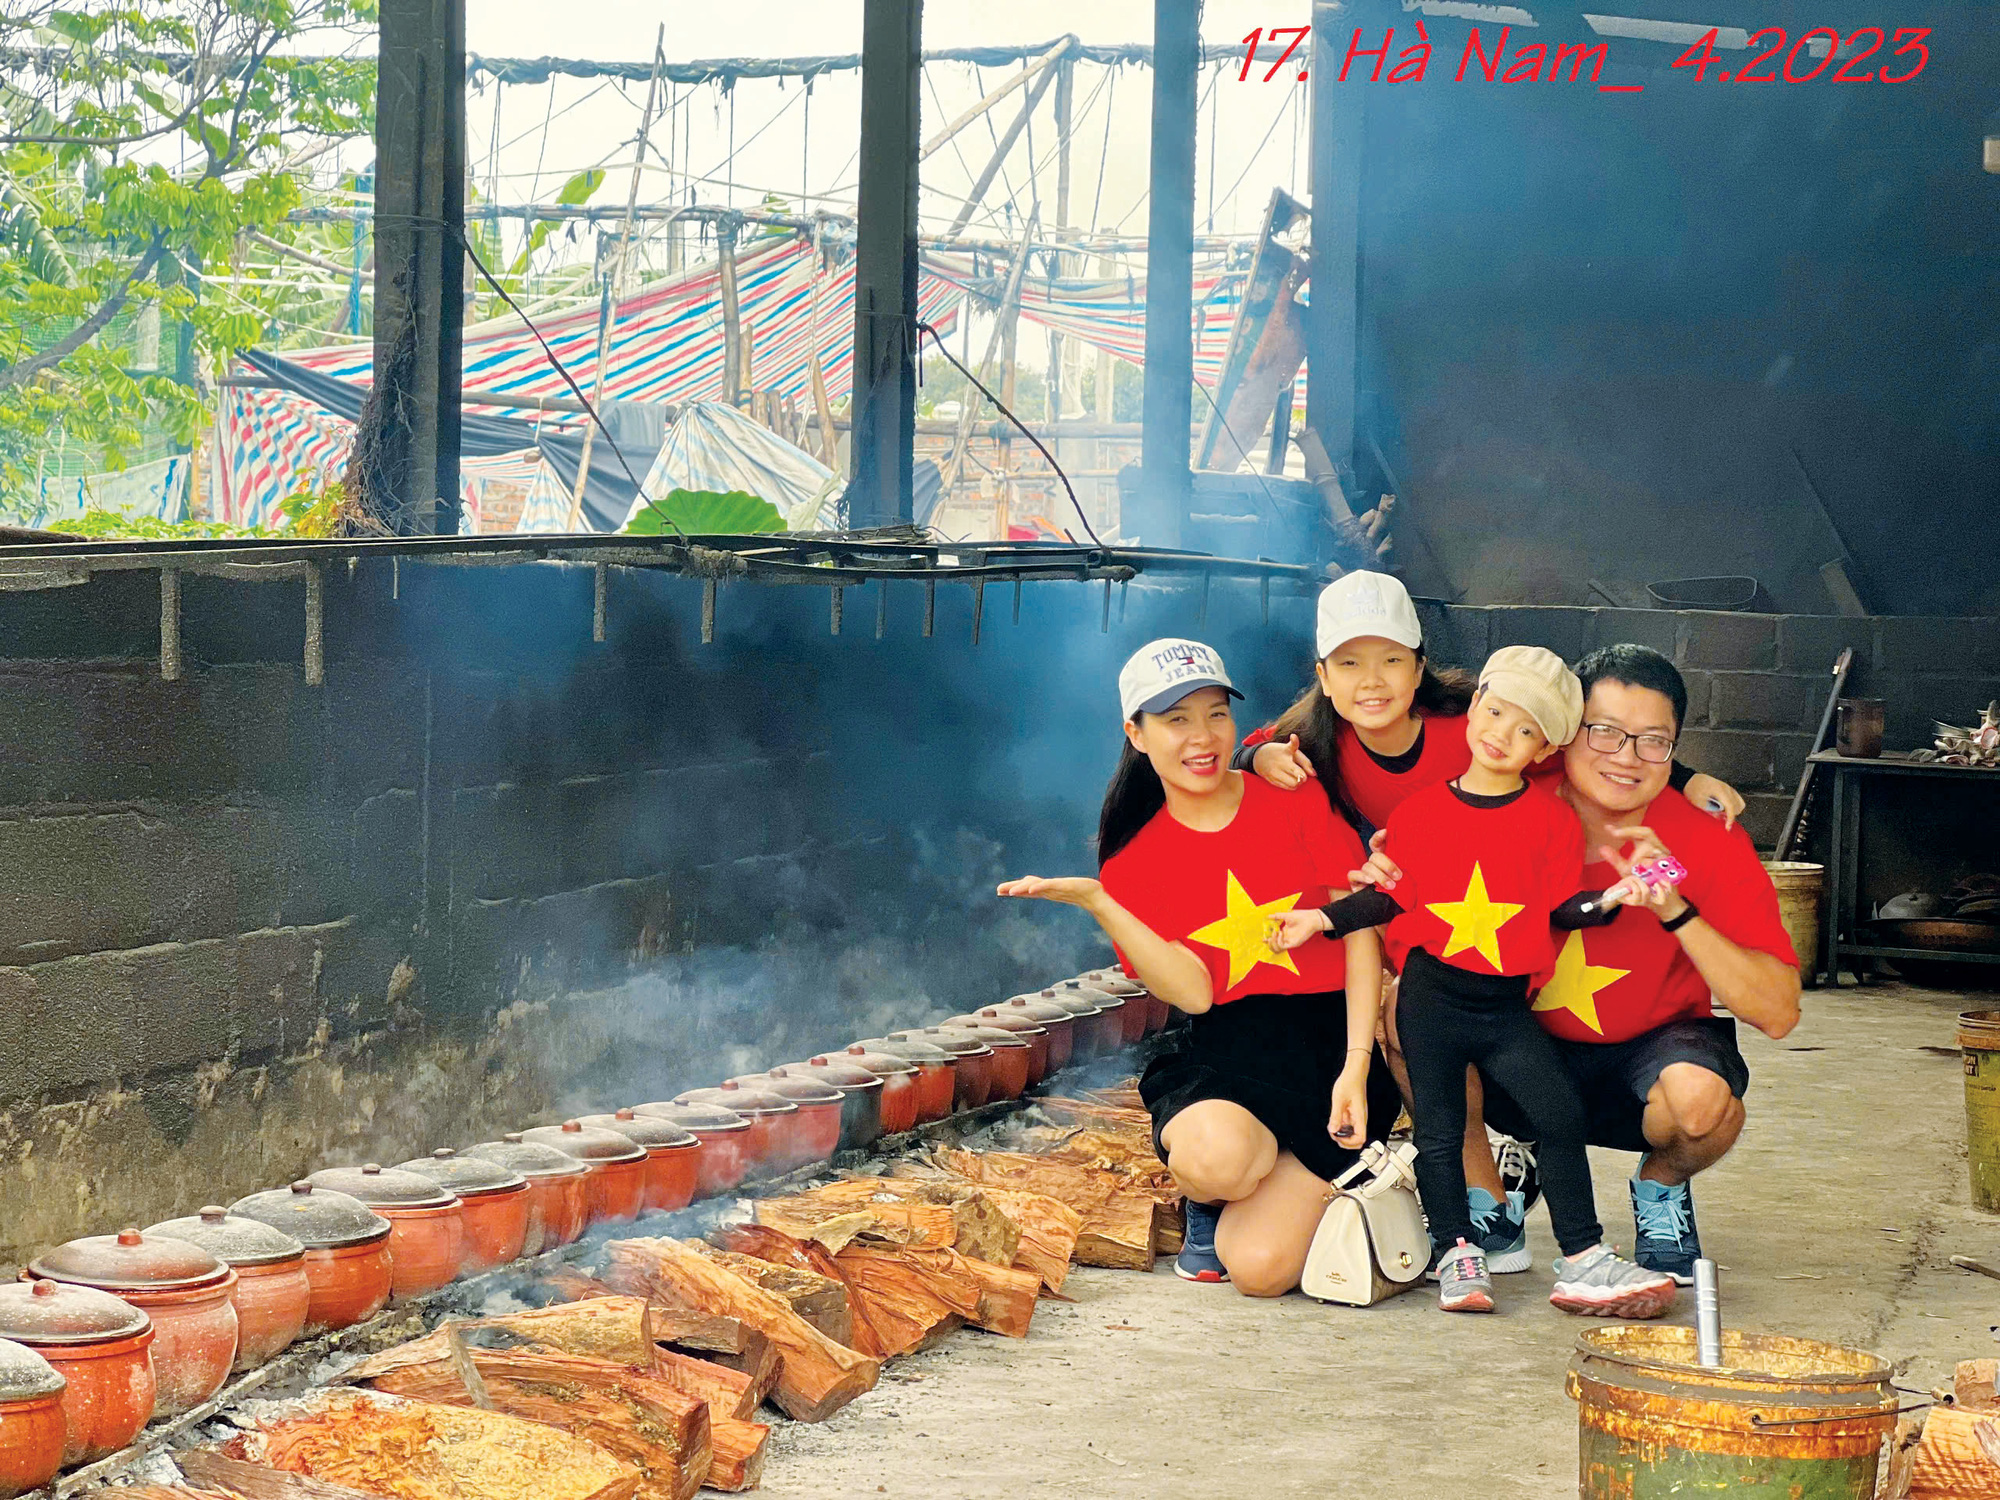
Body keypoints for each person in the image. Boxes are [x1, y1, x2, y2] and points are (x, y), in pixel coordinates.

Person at [1237, 571, 1746, 1267]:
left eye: (1391, 660)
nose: (1373, 682)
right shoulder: (1319, 739)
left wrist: (1689, 778)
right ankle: (1487, 1204)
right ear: (1323, 675)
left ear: (1422, 669)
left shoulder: (1476, 725)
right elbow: (1254, 745)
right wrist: (1258, 754)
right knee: (1409, 1030)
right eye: (1349, 664)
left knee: (1552, 1071)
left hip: (1515, 912)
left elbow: (1587, 743)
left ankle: (1584, 1210)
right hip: (1429, 909)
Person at [1274, 646, 1678, 1317]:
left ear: (1543, 747)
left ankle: (1581, 1256)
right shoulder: (1423, 812)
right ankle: (1457, 1251)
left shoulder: (1549, 819)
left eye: (1524, 729)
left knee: (1559, 1112)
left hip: (1503, 1007)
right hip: (1432, 999)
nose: (1500, 734)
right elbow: (1389, 900)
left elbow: (1560, 912)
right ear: (1473, 710)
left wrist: (1621, 895)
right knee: (1437, 1131)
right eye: (1493, 713)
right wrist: (1318, 918)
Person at [998, 638, 1402, 1296]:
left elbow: (1357, 931)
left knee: (1260, 1271)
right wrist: (1100, 900)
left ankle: (1319, 1181)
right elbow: (1195, 992)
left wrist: (1358, 1063)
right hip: (1225, 1060)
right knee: (1219, 1161)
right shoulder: (1132, 861)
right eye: (1176, 720)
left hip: (1330, 1053)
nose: (1202, 736)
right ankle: (1214, 1195)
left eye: (1216, 714)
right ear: (1136, 733)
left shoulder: (1292, 794)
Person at [1395, 644, 1803, 1283]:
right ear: (1564, 733)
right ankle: (1488, 1203)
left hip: (1645, 1055)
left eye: (1652, 743)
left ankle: (1661, 1189)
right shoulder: (1504, 786)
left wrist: (1676, 908)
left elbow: (1777, 1012)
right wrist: (1259, 755)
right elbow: (1368, 718)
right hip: (1515, 1040)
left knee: (1702, 1104)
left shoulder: (1702, 834)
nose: (1625, 757)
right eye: (1605, 732)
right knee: (1404, 1013)